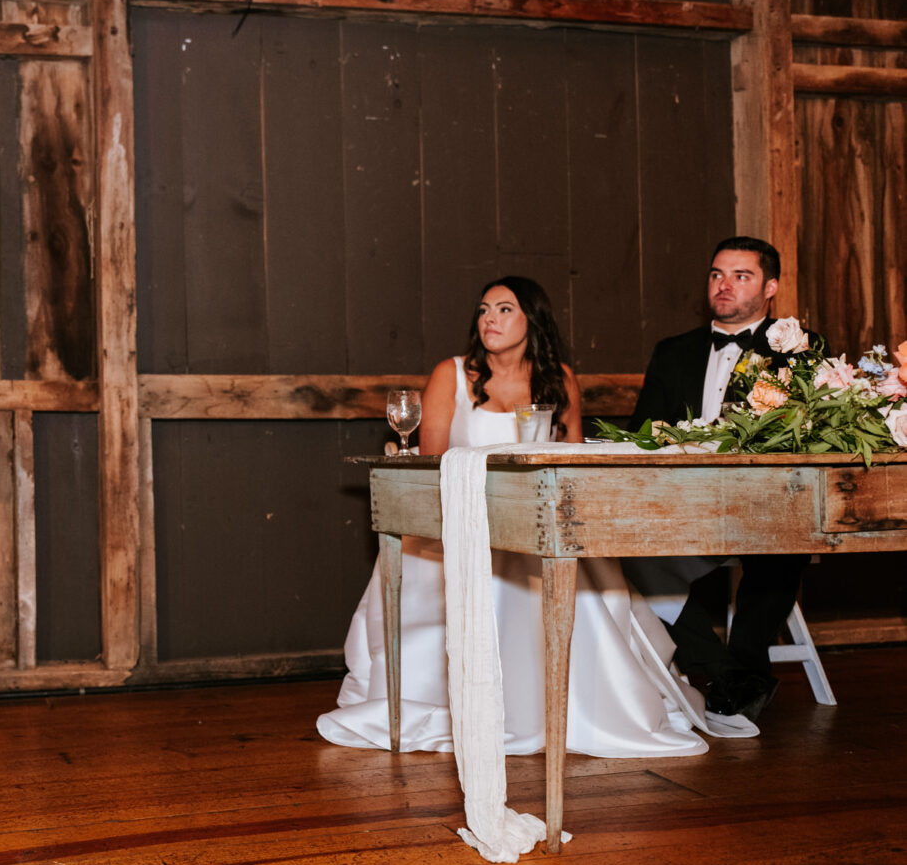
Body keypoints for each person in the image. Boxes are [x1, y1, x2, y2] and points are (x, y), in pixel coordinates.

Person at [318, 276, 729, 758]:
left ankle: (586, 705)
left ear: (531, 319)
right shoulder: (451, 375)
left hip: (538, 520)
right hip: (461, 522)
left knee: (594, 579)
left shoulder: (560, 378)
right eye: (484, 309)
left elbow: (574, 461)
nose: (490, 318)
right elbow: (431, 464)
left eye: (505, 309)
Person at [625, 237, 822, 723]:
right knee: (623, 547)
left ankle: (744, 665)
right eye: (717, 274)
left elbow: (804, 435)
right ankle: (725, 673)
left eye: (742, 275)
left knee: (784, 538)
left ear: (771, 287)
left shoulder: (797, 347)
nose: (725, 285)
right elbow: (640, 435)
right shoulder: (673, 353)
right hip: (680, 503)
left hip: (763, 502)